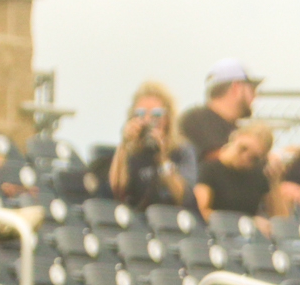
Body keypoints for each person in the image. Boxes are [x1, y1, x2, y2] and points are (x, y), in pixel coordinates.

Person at [94, 82, 187, 212]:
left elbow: (182, 196)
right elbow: (116, 189)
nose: (148, 120)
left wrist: (161, 158)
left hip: (168, 220)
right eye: (141, 114)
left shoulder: (181, 150)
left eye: (156, 114)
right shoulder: (131, 152)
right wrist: (124, 144)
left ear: (167, 118)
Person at [179, 58, 262, 165]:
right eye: (252, 89)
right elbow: (219, 158)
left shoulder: (234, 128)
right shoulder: (197, 118)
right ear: (236, 87)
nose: (255, 96)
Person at [193, 120, 276, 221]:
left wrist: (275, 180)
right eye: (243, 148)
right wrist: (245, 223)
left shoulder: (258, 175)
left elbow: (279, 218)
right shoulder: (209, 169)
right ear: (235, 138)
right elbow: (201, 210)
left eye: (254, 158)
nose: (245, 157)